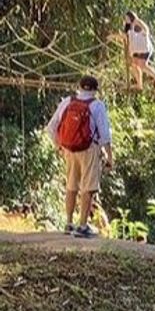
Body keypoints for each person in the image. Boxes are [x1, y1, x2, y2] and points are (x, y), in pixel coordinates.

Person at [46, 75, 114, 238]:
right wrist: (110, 157)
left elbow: (51, 127)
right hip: (89, 149)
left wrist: (59, 146)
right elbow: (104, 135)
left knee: (71, 185)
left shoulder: (67, 102)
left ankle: (69, 223)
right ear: (95, 90)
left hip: (69, 149)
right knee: (88, 187)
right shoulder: (97, 105)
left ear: (80, 87)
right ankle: (82, 225)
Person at [123, 11, 155, 92]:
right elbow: (126, 37)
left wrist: (137, 23)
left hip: (144, 47)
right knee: (134, 64)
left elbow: (146, 29)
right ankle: (139, 85)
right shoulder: (127, 27)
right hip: (135, 48)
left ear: (131, 17)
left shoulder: (137, 22)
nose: (126, 19)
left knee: (142, 65)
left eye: (127, 18)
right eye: (125, 18)